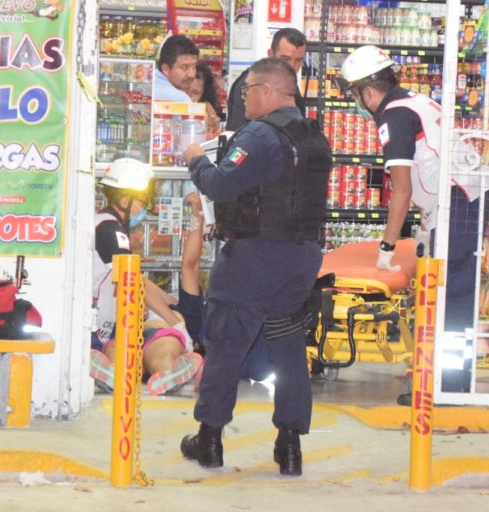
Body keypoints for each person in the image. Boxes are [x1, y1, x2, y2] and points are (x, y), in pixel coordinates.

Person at [179, 58, 332, 476]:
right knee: (287, 347)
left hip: (255, 258)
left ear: (267, 90)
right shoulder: (314, 137)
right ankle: (289, 447)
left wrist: (196, 159)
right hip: (301, 258)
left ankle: (209, 440)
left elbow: (220, 183)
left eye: (246, 91)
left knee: (226, 343)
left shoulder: (261, 134)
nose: (243, 99)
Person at [337, 45, 489, 331]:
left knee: (452, 292)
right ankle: (439, 363)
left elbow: (402, 190)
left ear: (368, 91)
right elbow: (431, 166)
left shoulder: (394, 115)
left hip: (459, 201)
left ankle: (449, 374)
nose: (356, 102)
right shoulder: (414, 101)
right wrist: (427, 225)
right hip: (465, 196)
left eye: (354, 94)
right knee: (450, 287)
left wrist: (386, 249)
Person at [90, 158, 203, 396]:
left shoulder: (108, 228)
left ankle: (115, 371)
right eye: (142, 201)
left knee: (118, 347)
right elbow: (133, 282)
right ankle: (155, 369)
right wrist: (177, 324)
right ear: (124, 198)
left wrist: (169, 301)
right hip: (97, 322)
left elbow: (135, 278)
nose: (144, 208)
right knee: (122, 345)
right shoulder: (110, 230)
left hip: (104, 324)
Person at [225, 28, 307, 131]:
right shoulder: (251, 83)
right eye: (285, 59)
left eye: (298, 60)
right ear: (271, 54)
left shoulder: (289, 84)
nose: (291, 66)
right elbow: (237, 132)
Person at [154, 35, 199, 102]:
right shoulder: (180, 99)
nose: (191, 75)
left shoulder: (146, 82)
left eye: (194, 67)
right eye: (184, 67)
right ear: (166, 69)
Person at [189, 62, 223, 135]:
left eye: (195, 93)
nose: (188, 97)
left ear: (204, 94)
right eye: (185, 90)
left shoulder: (208, 111)